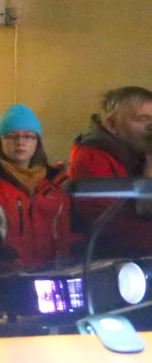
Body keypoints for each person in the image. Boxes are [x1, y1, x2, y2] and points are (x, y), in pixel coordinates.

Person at [0, 105, 76, 269]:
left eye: (28, 136)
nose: (20, 142)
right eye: (11, 136)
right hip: (7, 276)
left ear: (37, 142)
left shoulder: (56, 184)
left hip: (52, 273)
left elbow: (66, 233)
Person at [67, 85, 152, 257]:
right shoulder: (92, 158)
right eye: (143, 119)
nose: (151, 127)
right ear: (112, 124)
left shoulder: (139, 155)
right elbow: (109, 227)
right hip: (114, 266)